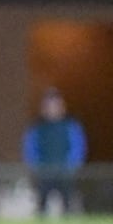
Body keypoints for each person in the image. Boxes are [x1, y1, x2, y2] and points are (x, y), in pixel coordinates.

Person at [22, 87, 86, 217]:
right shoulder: (37, 128)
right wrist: (36, 166)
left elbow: (77, 147)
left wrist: (72, 166)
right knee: (42, 204)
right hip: (44, 172)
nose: (52, 109)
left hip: (65, 172)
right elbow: (30, 149)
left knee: (68, 203)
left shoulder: (70, 126)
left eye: (55, 105)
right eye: (49, 106)